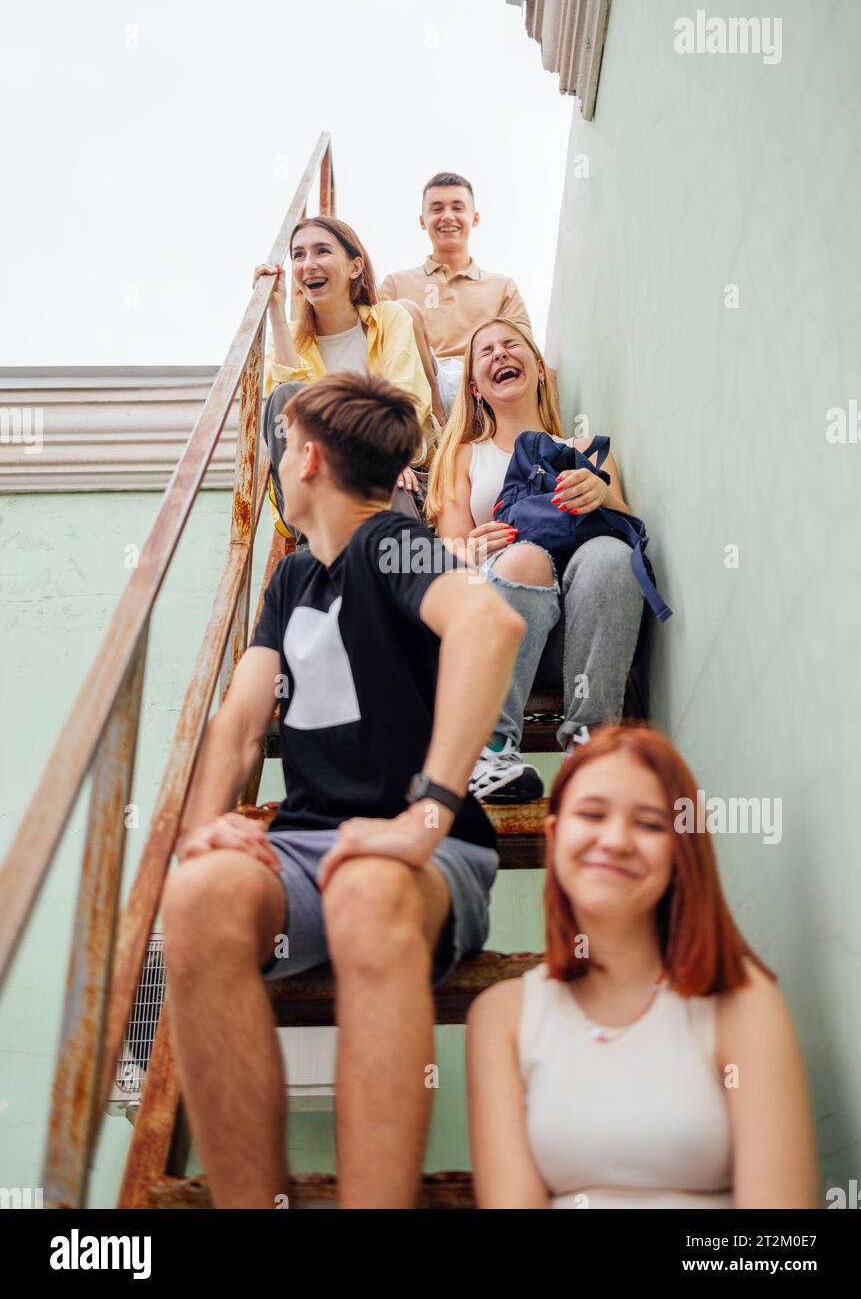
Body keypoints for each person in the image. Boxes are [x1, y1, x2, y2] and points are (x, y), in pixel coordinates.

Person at [162, 372, 526, 1209]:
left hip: (421, 858)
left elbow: (489, 622)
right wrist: (202, 829)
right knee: (202, 893)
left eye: (284, 447)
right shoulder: (289, 579)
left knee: (366, 889)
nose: (280, 464)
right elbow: (242, 722)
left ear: (309, 457)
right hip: (302, 847)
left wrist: (426, 812)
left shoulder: (391, 542)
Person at [466, 725, 818, 1209]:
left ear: (680, 853)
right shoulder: (502, 1018)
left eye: (650, 824)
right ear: (554, 834)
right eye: (592, 814)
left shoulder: (741, 999)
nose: (614, 840)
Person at [426, 318, 646, 803]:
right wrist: (473, 549)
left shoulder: (588, 451)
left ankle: (591, 749)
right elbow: (447, 555)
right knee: (525, 558)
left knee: (611, 552)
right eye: (485, 352)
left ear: (541, 370)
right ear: (475, 388)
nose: (500, 354)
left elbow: (631, 531)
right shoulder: (464, 455)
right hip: (503, 627)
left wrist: (603, 495)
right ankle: (491, 748)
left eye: (511, 345)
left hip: (581, 637)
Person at [255, 215, 439, 536]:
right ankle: (315, 547)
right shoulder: (288, 337)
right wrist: (275, 310)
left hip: (391, 471)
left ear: (355, 267)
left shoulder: (390, 318)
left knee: (388, 483)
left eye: (322, 251)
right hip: (317, 485)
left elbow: (406, 401)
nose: (308, 264)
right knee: (285, 397)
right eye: (298, 255)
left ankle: (399, 577)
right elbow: (288, 418)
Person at [379, 172, 534, 421]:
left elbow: (522, 348)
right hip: (418, 385)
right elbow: (378, 349)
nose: (448, 216)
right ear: (422, 220)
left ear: (474, 218)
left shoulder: (502, 286)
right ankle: (437, 424)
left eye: (457, 207)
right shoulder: (396, 283)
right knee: (405, 310)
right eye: (437, 208)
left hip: (480, 382)